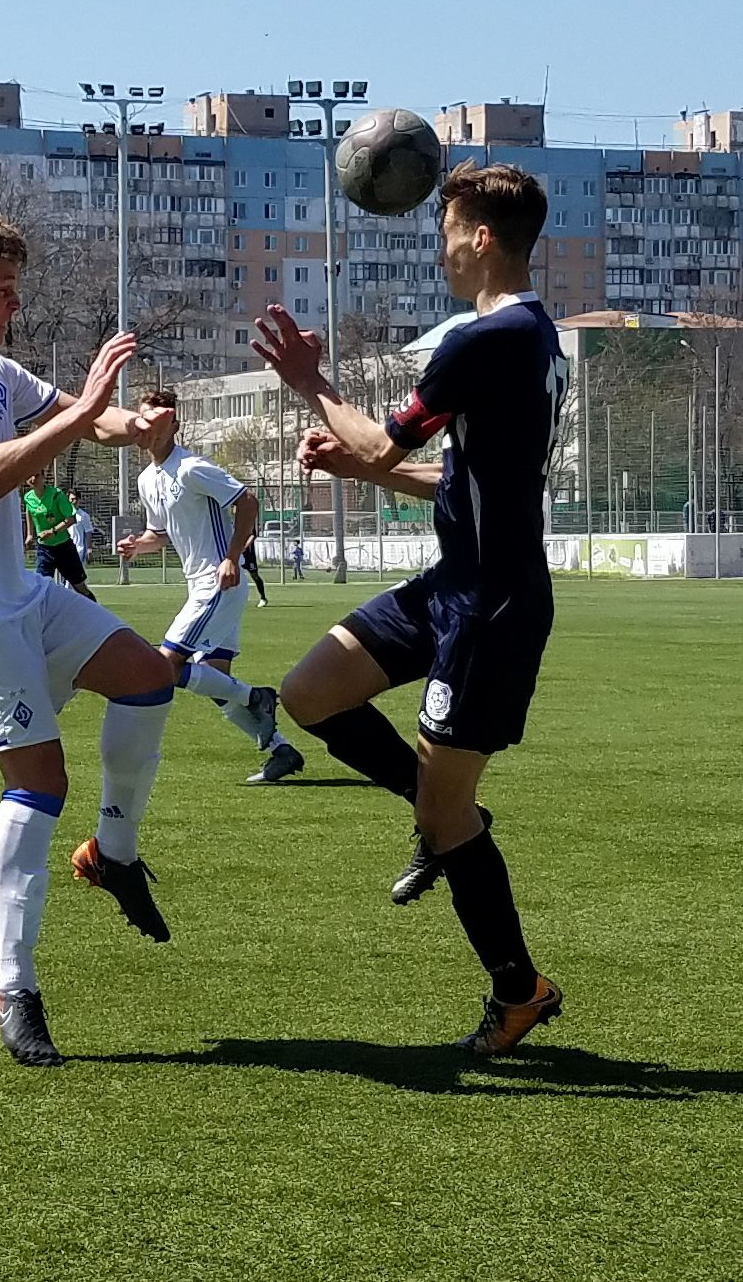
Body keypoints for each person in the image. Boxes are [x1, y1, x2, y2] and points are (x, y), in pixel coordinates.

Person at [0, 212, 239, 1068]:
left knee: (150, 676)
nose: (14, 303)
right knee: (39, 782)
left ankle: (112, 855)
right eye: (1, 290)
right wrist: (88, 414)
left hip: (23, 592)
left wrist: (135, 428)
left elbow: (76, 417)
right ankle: (11, 981)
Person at [253, 160, 566, 1056]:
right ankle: (437, 819)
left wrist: (313, 383)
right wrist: (366, 467)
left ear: (477, 237)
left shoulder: (486, 337)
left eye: (446, 231)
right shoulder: (528, 337)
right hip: (451, 586)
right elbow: (469, 475)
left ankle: (520, 990)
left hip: (490, 609)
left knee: (447, 811)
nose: (440, 247)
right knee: (312, 693)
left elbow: (388, 438)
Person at [117, 390, 304, 786]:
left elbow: (247, 501)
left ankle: (257, 696)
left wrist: (231, 557)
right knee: (215, 681)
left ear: (172, 426)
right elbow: (160, 533)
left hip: (217, 583)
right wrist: (139, 545)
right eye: (139, 422)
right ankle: (281, 750)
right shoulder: (147, 479)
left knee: (165, 667)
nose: (142, 431)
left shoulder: (191, 468)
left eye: (152, 421)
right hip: (200, 585)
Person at [23, 471, 95, 599]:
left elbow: (71, 519)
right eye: (30, 475)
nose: (33, 478)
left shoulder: (56, 495)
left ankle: (96, 614)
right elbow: (29, 511)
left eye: (37, 475)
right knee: (41, 589)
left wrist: (53, 531)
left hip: (63, 547)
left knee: (80, 588)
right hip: (44, 549)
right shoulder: (28, 497)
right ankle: (44, 618)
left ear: (44, 477)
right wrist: (29, 534)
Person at [241, 530, 269, 607]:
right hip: (236, 552)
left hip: (248, 555)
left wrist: (245, 547)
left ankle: (263, 598)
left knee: (254, 576)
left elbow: (253, 535)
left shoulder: (246, 519)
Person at [67, 491, 93, 565]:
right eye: (72, 499)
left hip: (79, 550)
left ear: (79, 500)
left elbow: (88, 533)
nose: (74, 501)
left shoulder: (84, 516)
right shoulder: (64, 514)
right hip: (65, 549)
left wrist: (89, 550)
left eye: (76, 499)